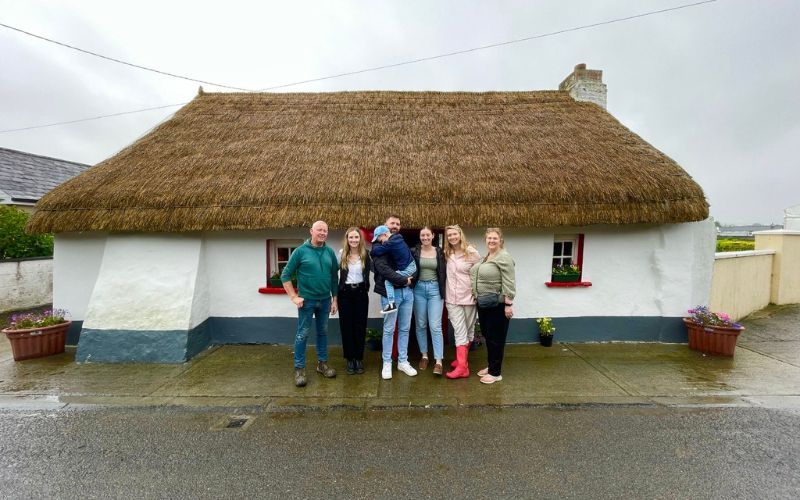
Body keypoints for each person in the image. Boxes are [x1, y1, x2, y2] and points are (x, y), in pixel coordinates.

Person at [281, 220, 339, 387]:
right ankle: (299, 369)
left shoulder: (329, 252)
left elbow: (334, 278)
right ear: (311, 231)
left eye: (325, 231)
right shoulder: (300, 252)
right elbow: (285, 275)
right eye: (319, 230)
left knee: (323, 332)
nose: (322, 233)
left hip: (325, 300)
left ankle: (322, 364)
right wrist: (293, 297)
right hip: (306, 301)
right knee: (302, 334)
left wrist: (334, 299)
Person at [372, 216, 417, 380]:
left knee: (405, 328)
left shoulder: (400, 242)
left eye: (398, 224)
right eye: (392, 223)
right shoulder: (378, 246)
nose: (395, 226)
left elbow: (412, 262)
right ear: (385, 226)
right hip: (390, 293)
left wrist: (411, 279)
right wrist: (404, 279)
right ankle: (387, 362)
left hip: (407, 292)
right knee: (389, 329)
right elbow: (384, 270)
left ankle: (403, 361)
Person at [470, 227, 516, 384]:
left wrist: (508, 304)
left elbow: (509, 281)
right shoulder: (487, 256)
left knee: (496, 338)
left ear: (500, 240)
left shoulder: (504, 257)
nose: (491, 241)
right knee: (488, 336)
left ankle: (496, 373)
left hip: (498, 304)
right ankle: (491, 366)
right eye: (489, 238)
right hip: (484, 303)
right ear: (485, 240)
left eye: (494, 238)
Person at [443, 224, 481, 379]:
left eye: (454, 234)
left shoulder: (472, 252)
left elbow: (479, 274)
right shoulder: (447, 252)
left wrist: (477, 293)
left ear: (460, 234)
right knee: (459, 330)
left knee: (469, 330)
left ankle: (462, 363)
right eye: (449, 235)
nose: (452, 237)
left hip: (469, 297)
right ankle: (462, 366)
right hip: (452, 298)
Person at [411, 226, 447, 375]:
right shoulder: (414, 251)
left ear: (433, 236)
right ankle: (424, 356)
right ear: (420, 237)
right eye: (422, 235)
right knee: (420, 324)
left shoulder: (440, 252)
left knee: (435, 325)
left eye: (428, 235)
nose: (425, 238)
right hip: (418, 289)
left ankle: (438, 360)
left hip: (434, 290)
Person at [337, 227, 371, 375]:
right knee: (346, 326)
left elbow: (379, 270)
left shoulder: (366, 255)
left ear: (360, 239)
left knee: (360, 326)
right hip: (345, 293)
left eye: (356, 237)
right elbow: (333, 275)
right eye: (351, 237)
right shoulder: (341, 254)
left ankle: (359, 358)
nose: (354, 240)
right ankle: (350, 359)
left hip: (361, 293)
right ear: (347, 239)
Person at [370, 225, 416, 315]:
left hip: (408, 268)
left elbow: (378, 251)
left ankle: (391, 304)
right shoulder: (398, 239)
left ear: (384, 235)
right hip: (411, 265)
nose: (380, 242)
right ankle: (392, 304)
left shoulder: (391, 242)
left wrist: (370, 252)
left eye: (379, 239)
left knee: (388, 282)